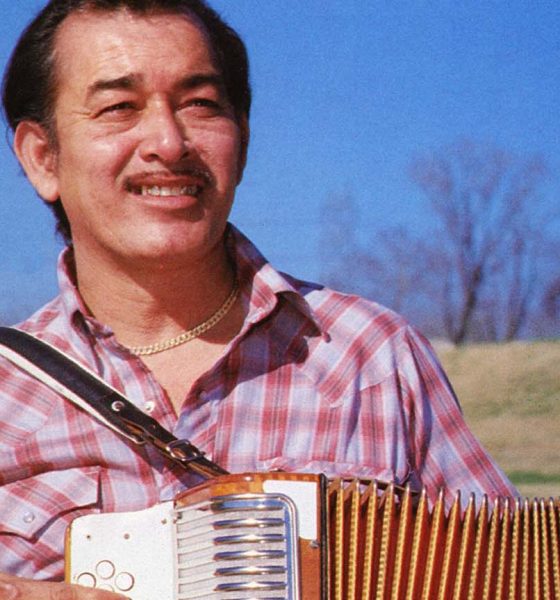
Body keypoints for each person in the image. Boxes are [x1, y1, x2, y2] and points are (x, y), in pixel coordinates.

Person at [0, 0, 517, 597]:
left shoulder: (372, 358)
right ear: (43, 157)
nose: (169, 142)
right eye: (119, 107)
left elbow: (513, 581)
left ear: (242, 139)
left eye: (201, 104)